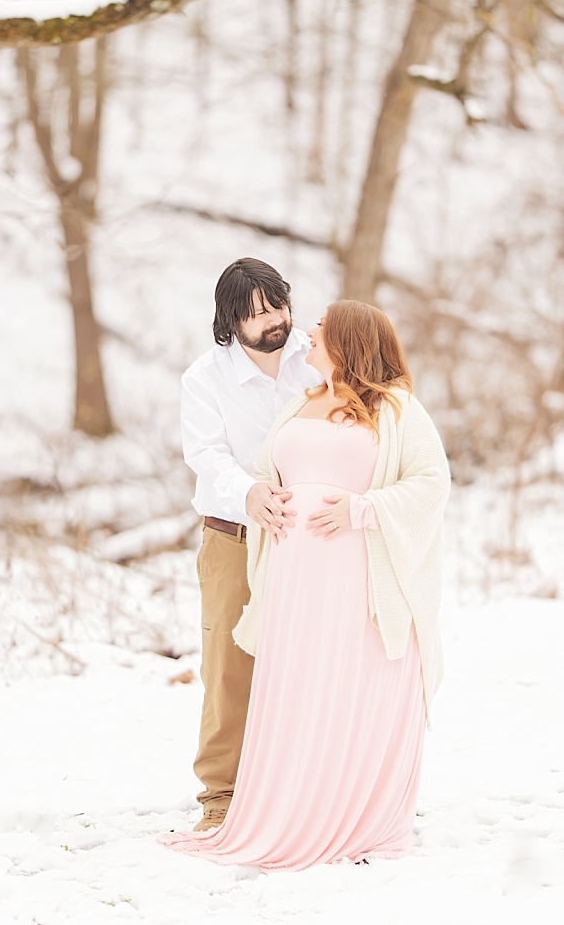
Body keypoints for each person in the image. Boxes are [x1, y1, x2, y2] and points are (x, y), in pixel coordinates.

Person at [163, 299, 450, 871]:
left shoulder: (394, 408)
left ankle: (351, 810)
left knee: (349, 682)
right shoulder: (301, 401)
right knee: (296, 685)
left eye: (318, 328)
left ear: (347, 341)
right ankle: (279, 801)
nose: (305, 333)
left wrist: (362, 511)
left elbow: (431, 484)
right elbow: (265, 467)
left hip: (356, 576)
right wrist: (259, 494)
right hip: (294, 580)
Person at [177, 258, 324, 831]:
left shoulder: (314, 357)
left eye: (277, 306)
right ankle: (222, 794)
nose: (272, 322)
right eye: (255, 314)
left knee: (307, 662)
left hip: (307, 540)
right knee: (230, 666)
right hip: (234, 537)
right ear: (230, 322)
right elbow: (207, 457)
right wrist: (250, 492)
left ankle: (300, 786)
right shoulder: (204, 378)